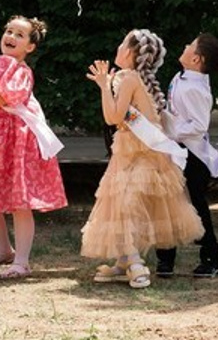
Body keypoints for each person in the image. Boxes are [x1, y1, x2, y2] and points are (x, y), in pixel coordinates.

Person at [81, 29, 205, 289]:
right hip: (142, 149)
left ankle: (136, 262)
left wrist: (104, 86)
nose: (118, 47)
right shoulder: (137, 79)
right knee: (125, 203)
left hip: (135, 150)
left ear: (129, 52)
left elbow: (113, 118)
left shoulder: (128, 78)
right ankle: (124, 258)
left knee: (126, 205)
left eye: (122, 43)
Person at [0, 16, 66, 280]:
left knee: (20, 200)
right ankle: (3, 249)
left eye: (20, 34)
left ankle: (22, 261)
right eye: (9, 31)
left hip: (17, 137)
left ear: (30, 47)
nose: (11, 36)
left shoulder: (21, 71)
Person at [155, 33, 218, 279]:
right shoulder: (181, 77)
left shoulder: (196, 88)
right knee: (167, 202)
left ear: (197, 59)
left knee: (195, 205)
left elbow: (198, 125)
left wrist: (171, 131)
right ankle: (165, 258)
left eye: (190, 45)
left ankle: (211, 257)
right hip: (176, 149)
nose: (185, 46)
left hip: (191, 154)